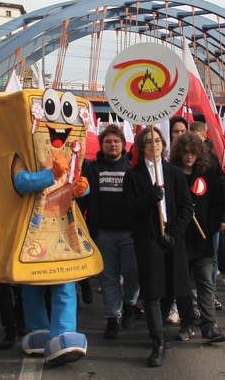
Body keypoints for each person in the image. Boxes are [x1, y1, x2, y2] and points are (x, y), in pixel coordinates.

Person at [123, 127, 193, 367]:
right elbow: (129, 209)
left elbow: (186, 207)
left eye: (158, 141)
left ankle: (160, 325)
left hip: (172, 237)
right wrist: (148, 199)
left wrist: (174, 233)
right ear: (141, 147)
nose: (154, 145)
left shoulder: (174, 173)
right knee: (152, 291)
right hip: (148, 239)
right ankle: (158, 339)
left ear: (163, 145)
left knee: (172, 287)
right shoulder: (133, 176)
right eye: (149, 142)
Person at [78, 124, 137, 340]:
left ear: (123, 144)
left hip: (130, 233)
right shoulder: (92, 169)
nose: (112, 145)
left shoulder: (132, 168)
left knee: (133, 272)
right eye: (108, 141)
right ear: (101, 145)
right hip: (103, 233)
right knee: (108, 277)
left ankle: (130, 304)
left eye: (116, 141)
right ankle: (113, 318)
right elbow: (82, 200)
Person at [170, 133, 225, 344]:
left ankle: (209, 326)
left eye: (193, 152)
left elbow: (218, 203)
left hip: (202, 239)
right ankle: (187, 323)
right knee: (182, 284)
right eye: (185, 152)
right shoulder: (172, 175)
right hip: (180, 239)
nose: (189, 156)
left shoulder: (208, 174)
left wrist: (209, 226)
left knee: (205, 282)